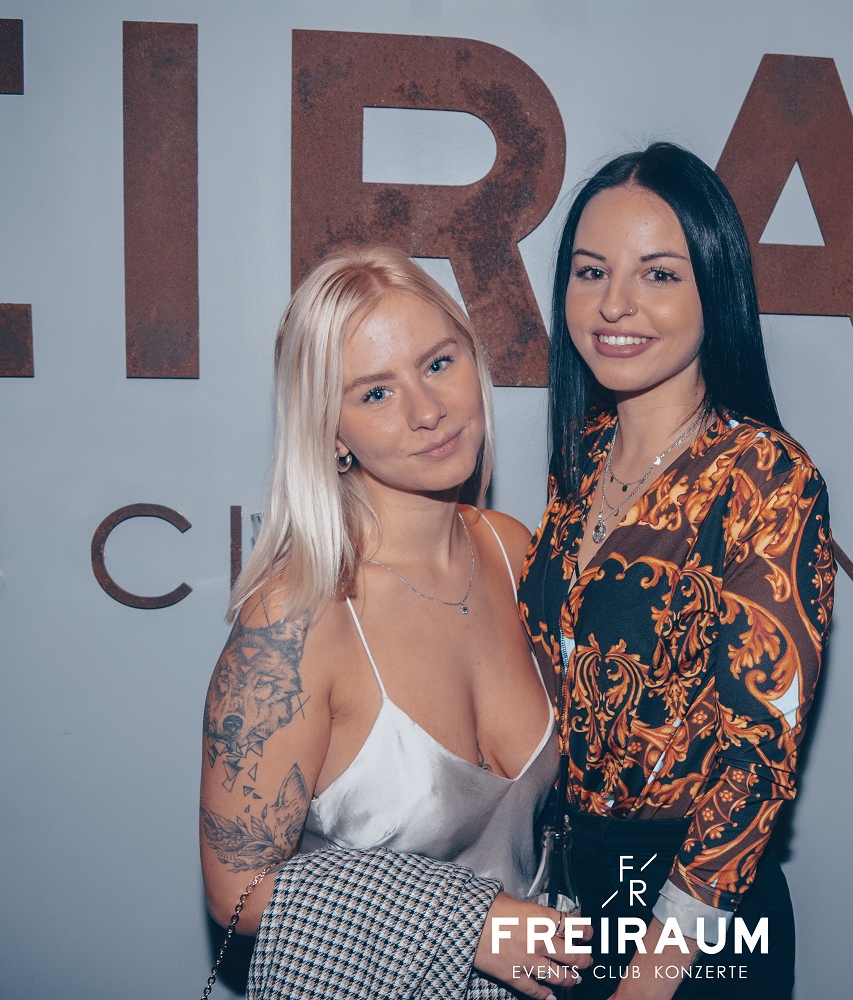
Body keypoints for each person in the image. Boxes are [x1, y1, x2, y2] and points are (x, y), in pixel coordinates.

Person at [198, 246, 586, 999]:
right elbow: (235, 889)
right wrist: (465, 922)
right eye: (375, 393)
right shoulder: (296, 617)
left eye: (438, 364)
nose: (426, 410)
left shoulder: (511, 551)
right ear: (330, 430)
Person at [516, 142, 836, 1000]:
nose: (613, 303)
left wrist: (650, 978)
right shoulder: (580, 460)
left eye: (658, 274)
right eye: (591, 272)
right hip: (569, 895)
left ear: (714, 290)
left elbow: (756, 761)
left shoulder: (766, 475)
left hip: (692, 922)